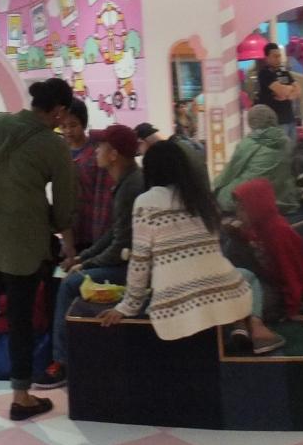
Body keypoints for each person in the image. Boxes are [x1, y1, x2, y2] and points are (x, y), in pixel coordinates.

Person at [0, 77, 77, 421]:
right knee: (20, 317)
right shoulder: (54, 145)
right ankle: (21, 397)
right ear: (59, 111)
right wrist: (60, 232)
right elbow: (65, 204)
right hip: (23, 242)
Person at [97, 140, 252, 340]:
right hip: (224, 293)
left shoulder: (147, 202)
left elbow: (140, 262)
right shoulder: (203, 199)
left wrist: (127, 306)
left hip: (177, 307)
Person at [35, 124, 144, 389]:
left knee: (70, 284)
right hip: (130, 262)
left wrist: (85, 264)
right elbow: (113, 234)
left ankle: (62, 362)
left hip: (133, 269)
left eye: (100, 146)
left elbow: (120, 246)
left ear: (114, 154)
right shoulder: (127, 181)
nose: (95, 150)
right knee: (71, 274)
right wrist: (83, 257)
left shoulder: (130, 187)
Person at [225, 178, 303, 338]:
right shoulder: (257, 225)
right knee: (233, 243)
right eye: (237, 209)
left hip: (283, 292)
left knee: (253, 303)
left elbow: (290, 273)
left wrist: (292, 308)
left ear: (257, 207)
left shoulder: (279, 233)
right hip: (267, 279)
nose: (238, 215)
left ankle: (260, 316)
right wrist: (236, 233)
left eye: (243, 209)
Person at [211, 104, 299, 213]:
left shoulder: (248, 142)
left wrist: (216, 186)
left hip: (252, 197)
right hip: (282, 198)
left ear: (251, 121)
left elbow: (230, 172)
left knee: (222, 195)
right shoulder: (287, 141)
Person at [64, 100, 112, 251]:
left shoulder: (97, 151)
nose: (68, 131)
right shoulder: (60, 151)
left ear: (83, 124)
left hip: (94, 225)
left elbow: (103, 194)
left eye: (73, 125)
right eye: (63, 126)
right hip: (71, 227)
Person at [135, 121, 209, 187]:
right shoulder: (180, 145)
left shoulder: (169, 158)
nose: (141, 153)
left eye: (139, 149)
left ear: (142, 142)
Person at [257, 43, 301, 137]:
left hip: (290, 119)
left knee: (292, 146)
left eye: (279, 56)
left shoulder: (284, 71)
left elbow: (298, 90)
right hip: (276, 123)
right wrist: (290, 88)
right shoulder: (264, 73)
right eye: (275, 56)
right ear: (267, 58)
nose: (278, 59)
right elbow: (282, 91)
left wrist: (287, 95)